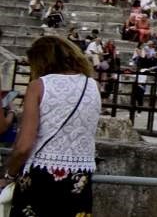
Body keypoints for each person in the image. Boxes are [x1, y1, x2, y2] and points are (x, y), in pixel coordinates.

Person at [1, 36, 102, 216]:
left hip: (41, 175)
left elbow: (24, 145)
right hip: (80, 177)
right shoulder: (93, 85)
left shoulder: (38, 86)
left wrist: (8, 175)